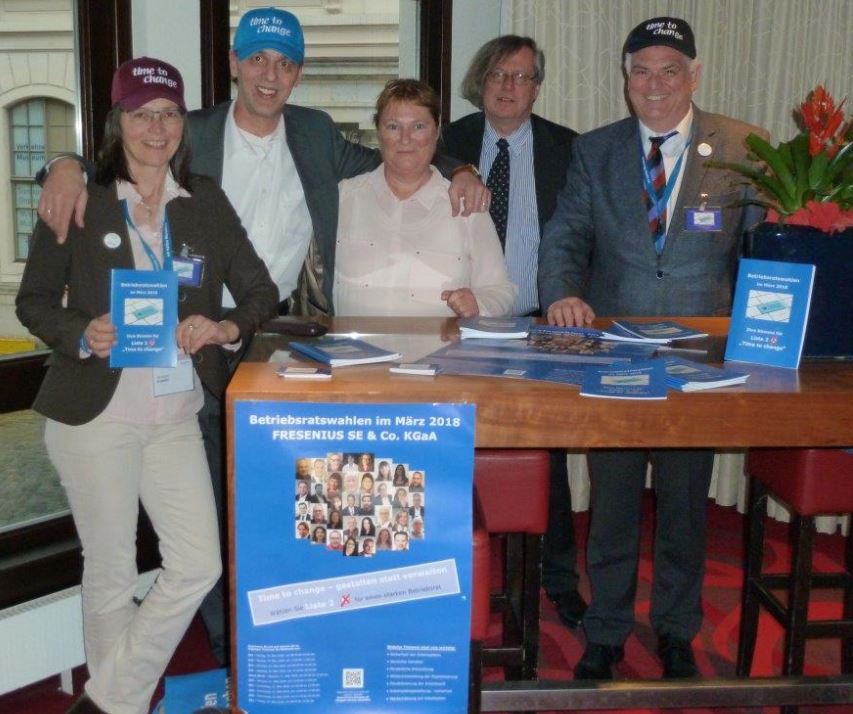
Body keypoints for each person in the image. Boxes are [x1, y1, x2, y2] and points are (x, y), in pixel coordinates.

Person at [36, 6, 488, 665]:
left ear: (298, 73)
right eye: (257, 59)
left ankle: (281, 632)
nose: (269, 75)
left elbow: (398, 150)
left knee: (282, 488)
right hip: (184, 340)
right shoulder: (190, 129)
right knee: (210, 499)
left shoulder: (314, 132)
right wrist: (62, 163)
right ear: (234, 65)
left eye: (284, 63)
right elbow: (121, 150)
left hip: (267, 330)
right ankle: (227, 648)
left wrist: (462, 168)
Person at [15, 57, 277, 714]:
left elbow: (260, 291)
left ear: (182, 122)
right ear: (118, 122)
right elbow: (34, 300)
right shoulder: (83, 199)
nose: (156, 128)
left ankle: (103, 701)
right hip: (94, 417)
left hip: (174, 414)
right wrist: (82, 332)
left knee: (198, 564)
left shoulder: (204, 202)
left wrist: (223, 327)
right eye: (141, 114)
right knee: (110, 571)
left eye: (168, 114)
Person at [538, 17, 767, 681]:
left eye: (670, 70)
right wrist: (562, 292)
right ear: (626, 78)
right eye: (641, 70)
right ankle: (607, 630)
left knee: (683, 504)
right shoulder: (596, 149)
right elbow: (565, 236)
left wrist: (761, 328)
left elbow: (764, 248)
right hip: (615, 356)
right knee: (611, 502)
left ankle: (675, 629)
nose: (655, 83)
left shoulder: (742, 146)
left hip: (699, 358)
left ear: (693, 75)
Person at [441, 34, 586, 631]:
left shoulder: (569, 148)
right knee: (451, 448)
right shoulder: (447, 140)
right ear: (482, 80)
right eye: (499, 74)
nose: (509, 86)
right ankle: (448, 570)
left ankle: (558, 577)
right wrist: (459, 168)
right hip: (459, 323)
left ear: (537, 88)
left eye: (522, 77)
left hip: (537, 322)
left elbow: (583, 233)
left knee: (546, 456)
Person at [333, 78, 517, 318]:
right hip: (351, 343)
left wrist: (479, 305)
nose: (405, 138)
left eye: (418, 126)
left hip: (440, 344)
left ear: (437, 131)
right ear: (378, 131)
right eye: (393, 126)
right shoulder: (343, 198)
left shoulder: (466, 206)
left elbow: (501, 291)